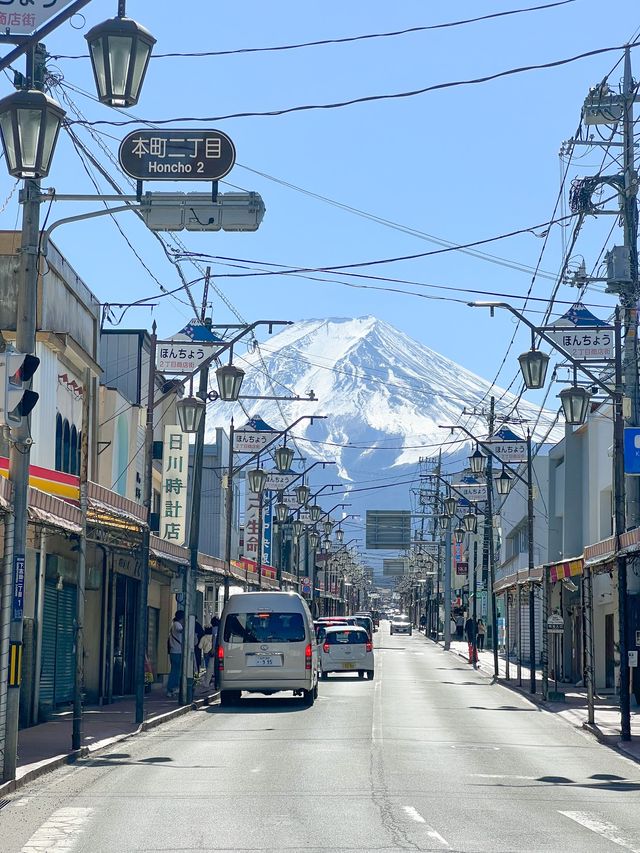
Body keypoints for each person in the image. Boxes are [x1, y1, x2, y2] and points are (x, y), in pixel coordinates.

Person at [166, 610, 184, 698]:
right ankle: (172, 688)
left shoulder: (174, 624)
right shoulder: (177, 624)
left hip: (174, 651)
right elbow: (180, 630)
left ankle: (172, 688)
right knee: (176, 671)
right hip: (177, 651)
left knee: (175, 670)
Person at [202, 615, 220, 690]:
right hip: (220, 649)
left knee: (210, 666)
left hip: (215, 649)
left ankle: (206, 683)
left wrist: (212, 649)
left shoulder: (215, 629)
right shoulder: (220, 628)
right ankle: (216, 683)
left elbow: (214, 638)